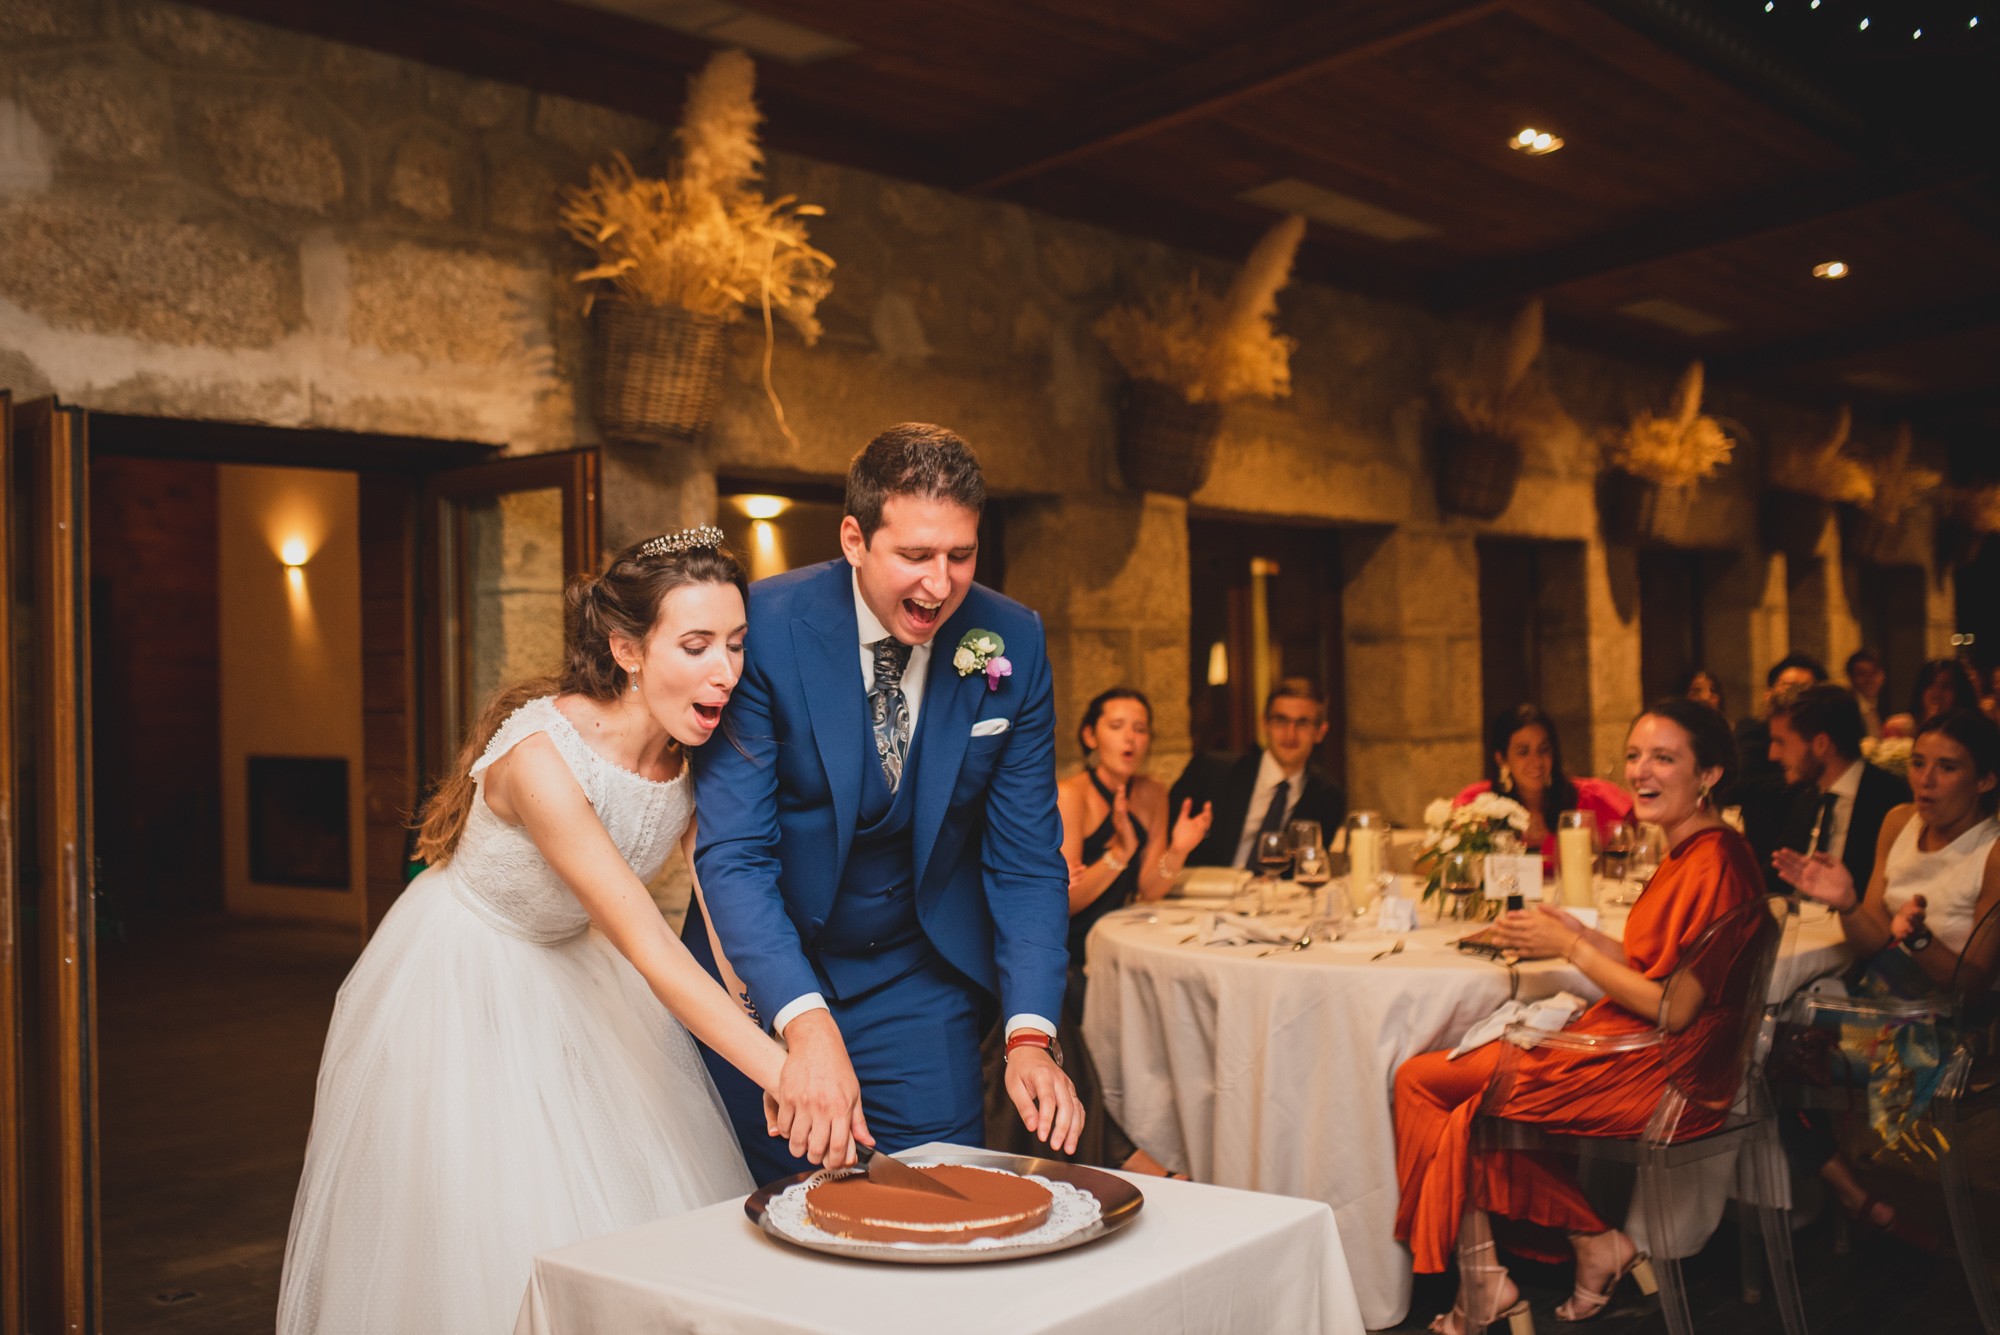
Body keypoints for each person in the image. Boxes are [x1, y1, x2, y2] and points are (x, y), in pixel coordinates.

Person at [278, 530, 805, 1335]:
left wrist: (762, 1003)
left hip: (577, 968)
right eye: (696, 645)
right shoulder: (540, 759)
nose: (725, 671)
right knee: (495, 1220)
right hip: (465, 972)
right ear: (627, 649)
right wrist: (785, 1071)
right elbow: (646, 938)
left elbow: (721, 894)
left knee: (627, 1201)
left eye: (735, 643)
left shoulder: (695, 752)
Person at [685, 424, 1080, 1183]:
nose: (939, 585)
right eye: (914, 556)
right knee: (775, 1212)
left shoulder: (1012, 641)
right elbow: (735, 853)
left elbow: (1027, 859)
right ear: (854, 538)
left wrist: (1031, 1034)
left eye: (960, 556)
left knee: (945, 1200)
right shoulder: (762, 627)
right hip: (765, 971)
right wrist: (801, 1019)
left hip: (915, 973)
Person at [1394, 698, 1761, 1333]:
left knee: (1428, 1086)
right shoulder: (1695, 848)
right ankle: (1580, 1248)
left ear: (1709, 775)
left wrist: (1569, 948)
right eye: (1635, 756)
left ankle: (1497, 1277)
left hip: (1663, 1070)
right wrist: (1574, 929)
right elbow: (1658, 962)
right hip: (1654, 1049)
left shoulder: (1715, 862)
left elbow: (1674, 1008)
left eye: (1664, 759)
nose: (1641, 772)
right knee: (1451, 1091)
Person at [1773, 708, 2000, 1231]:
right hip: (1877, 1001)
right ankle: (1853, 1193)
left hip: (1945, 1023)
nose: (1925, 779)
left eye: (1947, 768)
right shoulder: (1899, 821)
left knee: (1758, 1050)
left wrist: (1916, 937)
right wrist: (1849, 902)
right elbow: (1875, 941)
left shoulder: (1991, 849)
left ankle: (1859, 1193)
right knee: (1750, 1045)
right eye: (1918, 763)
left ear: (1985, 780)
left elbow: (1973, 979)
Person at [984, 687, 1211, 1170]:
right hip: (1066, 948)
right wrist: (1117, 855)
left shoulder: (1153, 794)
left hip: (1117, 942)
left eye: (1140, 728)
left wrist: (1180, 848)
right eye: (1116, 726)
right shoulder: (1071, 796)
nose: (1130, 739)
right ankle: (1132, 1161)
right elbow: (1057, 903)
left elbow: (1151, 887)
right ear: (1091, 735)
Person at [1169, 677, 1347, 869]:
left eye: (1302, 723)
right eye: (1281, 721)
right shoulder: (1212, 771)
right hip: (1207, 893)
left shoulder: (1328, 796)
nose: (1290, 734)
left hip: (1278, 896)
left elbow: (1307, 866)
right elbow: (1166, 836)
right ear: (1265, 724)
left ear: (1320, 732)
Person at [1767, 684, 1910, 897]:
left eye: (1781, 742)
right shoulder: (1804, 798)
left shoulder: (1891, 800)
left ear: (1821, 744)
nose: (1773, 754)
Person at [1455, 704, 1632, 868]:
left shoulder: (1591, 800)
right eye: (1523, 752)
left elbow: (1641, 837)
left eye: (1543, 749)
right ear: (1502, 759)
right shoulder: (1478, 806)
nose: (1537, 762)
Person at [1727, 652, 1829, 870]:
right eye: (1788, 687)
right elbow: (1737, 784)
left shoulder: (1827, 789)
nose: (1774, 753)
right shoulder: (1754, 731)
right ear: (1769, 693)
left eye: (1805, 691)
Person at [1845, 648, 1887, 739]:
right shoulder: (1846, 710)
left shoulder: (1885, 704)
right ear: (1851, 678)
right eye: (1862, 674)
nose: (1870, 679)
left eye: (1874, 672)